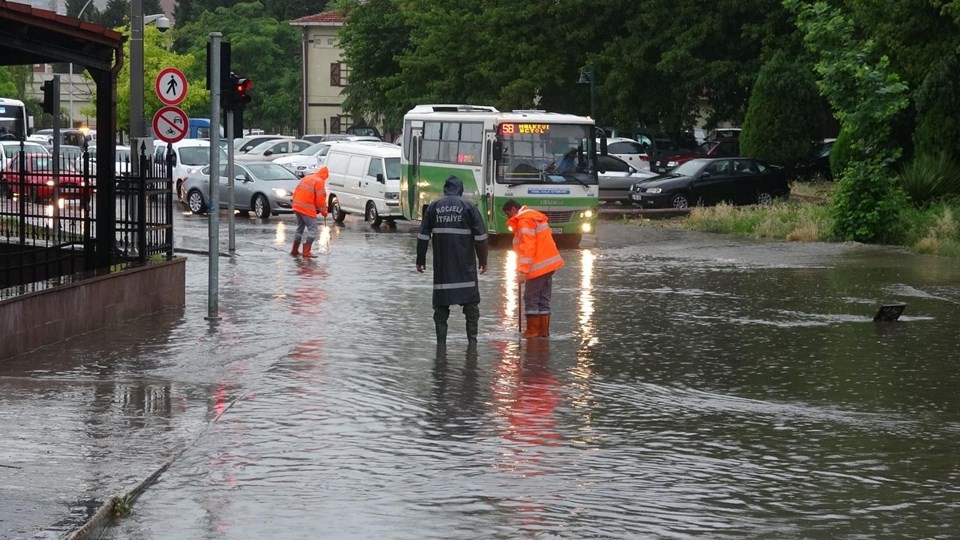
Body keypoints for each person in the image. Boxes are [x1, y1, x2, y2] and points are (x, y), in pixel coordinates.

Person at [417, 176, 489, 343]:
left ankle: (440, 348)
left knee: (440, 311)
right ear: (460, 189)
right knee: (471, 309)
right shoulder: (469, 206)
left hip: (443, 270)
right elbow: (481, 237)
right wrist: (483, 260)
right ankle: (472, 346)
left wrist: (420, 260)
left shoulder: (434, 207)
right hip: (466, 270)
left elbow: (422, 236)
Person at [502, 198, 564, 338]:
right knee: (543, 298)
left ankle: (533, 332)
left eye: (508, 214)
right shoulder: (535, 217)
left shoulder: (524, 221)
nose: (509, 218)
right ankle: (543, 332)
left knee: (530, 297)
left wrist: (522, 270)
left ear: (513, 209)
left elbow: (528, 247)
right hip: (549, 265)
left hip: (538, 267)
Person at [290, 166, 329, 258]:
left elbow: (298, 192)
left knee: (300, 228)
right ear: (325, 175)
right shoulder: (319, 181)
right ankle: (306, 252)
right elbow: (320, 199)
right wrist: (324, 212)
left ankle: (294, 250)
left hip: (297, 206)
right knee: (313, 229)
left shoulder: (307, 178)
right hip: (306, 208)